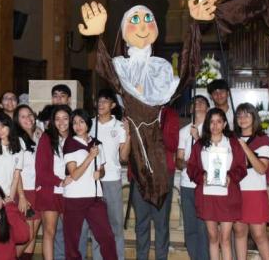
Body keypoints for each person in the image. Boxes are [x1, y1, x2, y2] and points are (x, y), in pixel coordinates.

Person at [186, 107, 247, 260]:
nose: (215, 126)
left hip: (227, 196)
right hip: (207, 196)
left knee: (225, 239)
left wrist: (231, 177)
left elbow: (242, 167)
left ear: (225, 124)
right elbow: (191, 168)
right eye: (211, 122)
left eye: (219, 122)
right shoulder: (200, 145)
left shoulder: (232, 143)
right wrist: (202, 176)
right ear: (207, 124)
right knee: (213, 238)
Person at [62, 109, 119, 260]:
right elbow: (74, 174)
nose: (78, 126)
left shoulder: (96, 143)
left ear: (88, 123)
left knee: (106, 236)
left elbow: (102, 170)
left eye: (81, 122)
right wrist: (89, 157)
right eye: (74, 123)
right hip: (75, 198)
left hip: (95, 198)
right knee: (72, 241)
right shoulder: (69, 143)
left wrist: (100, 173)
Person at [131, 103, 179, 260]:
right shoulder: (136, 113)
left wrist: (154, 128)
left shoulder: (170, 114)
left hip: (162, 176)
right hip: (140, 175)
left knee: (161, 224)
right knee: (141, 224)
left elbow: (173, 144)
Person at [85, 90, 129, 260]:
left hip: (111, 179)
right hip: (92, 180)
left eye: (106, 101)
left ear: (113, 105)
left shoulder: (119, 126)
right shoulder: (89, 124)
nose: (101, 104)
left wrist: (129, 133)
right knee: (97, 225)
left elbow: (124, 157)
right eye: (99, 100)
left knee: (115, 224)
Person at [233, 103, 269, 260]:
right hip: (236, 192)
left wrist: (244, 146)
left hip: (255, 193)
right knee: (239, 232)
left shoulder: (263, 140)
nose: (242, 118)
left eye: (246, 115)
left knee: (259, 235)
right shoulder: (231, 140)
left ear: (254, 117)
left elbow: (261, 168)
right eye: (239, 115)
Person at [35, 105, 73, 260]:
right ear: (53, 121)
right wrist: (60, 181)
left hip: (70, 192)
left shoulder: (75, 138)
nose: (61, 122)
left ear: (71, 119)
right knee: (49, 232)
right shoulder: (47, 138)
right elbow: (41, 170)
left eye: (65, 118)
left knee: (70, 231)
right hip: (50, 190)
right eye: (57, 119)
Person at [177, 92, 211, 260]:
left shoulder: (212, 129)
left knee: (203, 227)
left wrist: (197, 138)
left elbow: (212, 157)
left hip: (204, 184)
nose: (197, 104)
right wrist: (185, 163)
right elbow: (179, 160)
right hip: (186, 183)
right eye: (194, 102)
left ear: (208, 108)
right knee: (190, 227)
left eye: (201, 102)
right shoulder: (184, 131)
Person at [14, 104, 41, 260]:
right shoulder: (17, 140)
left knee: (32, 236)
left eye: (29, 114)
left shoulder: (37, 136)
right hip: (24, 192)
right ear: (17, 120)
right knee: (26, 236)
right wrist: (22, 196)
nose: (28, 118)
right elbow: (15, 172)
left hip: (38, 191)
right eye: (23, 116)